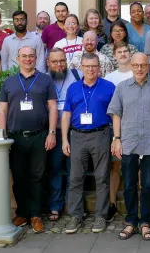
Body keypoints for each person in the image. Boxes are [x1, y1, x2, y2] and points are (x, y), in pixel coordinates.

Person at [108, 52, 150, 241]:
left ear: (149, 66)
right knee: (129, 185)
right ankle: (131, 220)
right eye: (136, 65)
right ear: (131, 66)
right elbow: (116, 114)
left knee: (149, 185)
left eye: (143, 65)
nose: (140, 69)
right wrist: (116, 138)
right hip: (128, 142)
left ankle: (146, 221)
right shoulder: (122, 88)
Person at [0, 46, 58, 234]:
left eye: (31, 56)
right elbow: (2, 110)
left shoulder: (45, 80)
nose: (28, 59)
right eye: (24, 56)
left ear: (36, 58)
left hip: (39, 136)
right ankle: (22, 213)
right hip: (15, 138)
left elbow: (53, 108)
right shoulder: (8, 82)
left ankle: (36, 215)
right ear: (17, 58)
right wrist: (2, 136)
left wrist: (52, 133)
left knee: (38, 177)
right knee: (19, 178)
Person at [62, 52, 116, 234]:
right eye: (87, 66)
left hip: (101, 134)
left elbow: (116, 114)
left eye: (94, 66)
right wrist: (64, 139)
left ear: (99, 68)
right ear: (81, 68)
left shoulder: (109, 87)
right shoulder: (73, 88)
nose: (91, 69)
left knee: (102, 178)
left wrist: (116, 138)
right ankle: (75, 215)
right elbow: (67, 114)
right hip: (77, 136)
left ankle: (101, 215)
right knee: (76, 178)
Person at [45, 47, 81, 222]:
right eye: (55, 62)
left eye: (62, 61)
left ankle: (74, 207)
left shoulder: (76, 75)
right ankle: (55, 206)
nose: (59, 65)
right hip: (54, 133)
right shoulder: (44, 80)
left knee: (74, 171)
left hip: (75, 132)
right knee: (55, 171)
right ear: (48, 63)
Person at [103, 42, 133, 222]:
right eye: (119, 52)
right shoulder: (110, 77)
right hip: (115, 127)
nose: (122, 54)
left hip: (135, 126)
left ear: (130, 53)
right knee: (115, 166)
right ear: (114, 56)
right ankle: (112, 203)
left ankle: (136, 203)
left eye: (125, 51)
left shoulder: (136, 72)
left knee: (136, 167)